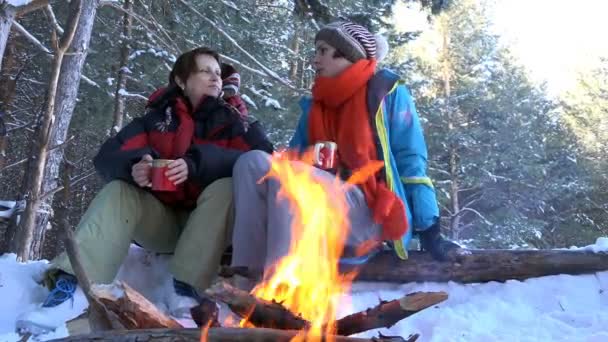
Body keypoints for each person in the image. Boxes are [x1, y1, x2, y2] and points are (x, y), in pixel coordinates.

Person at [18, 47, 274, 328]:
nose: (215, 78)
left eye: (217, 73)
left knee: (226, 187)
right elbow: (107, 157)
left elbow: (262, 160)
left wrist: (196, 164)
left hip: (210, 231)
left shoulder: (234, 121)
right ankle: (73, 289)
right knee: (119, 190)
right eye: (205, 71)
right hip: (161, 223)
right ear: (181, 80)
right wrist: (135, 167)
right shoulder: (157, 118)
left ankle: (184, 288)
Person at [229, 21, 459, 286]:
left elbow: (411, 159)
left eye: (322, 50)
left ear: (347, 53)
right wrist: (267, 148)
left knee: (294, 178)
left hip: (369, 210)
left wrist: (430, 227)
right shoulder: (317, 103)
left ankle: (281, 291)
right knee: (252, 163)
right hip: (324, 198)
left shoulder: (386, 93)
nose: (315, 59)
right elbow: (290, 159)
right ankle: (246, 283)